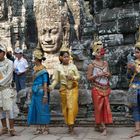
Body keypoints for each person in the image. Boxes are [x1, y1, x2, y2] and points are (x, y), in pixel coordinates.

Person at [49, 49, 80, 134]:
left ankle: (71, 125)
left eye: (68, 57)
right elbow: (56, 80)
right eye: (65, 57)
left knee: (73, 107)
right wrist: (51, 87)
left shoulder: (73, 66)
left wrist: (73, 78)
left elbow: (78, 76)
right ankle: (70, 125)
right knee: (65, 108)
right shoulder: (58, 67)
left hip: (73, 89)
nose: (66, 58)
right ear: (61, 57)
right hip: (63, 89)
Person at [87, 41, 112, 136]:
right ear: (94, 53)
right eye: (97, 52)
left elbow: (110, 75)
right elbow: (88, 78)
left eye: (101, 52)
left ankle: (99, 125)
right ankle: (102, 126)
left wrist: (108, 74)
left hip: (106, 87)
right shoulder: (91, 65)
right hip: (96, 88)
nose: (100, 54)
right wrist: (97, 75)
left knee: (105, 107)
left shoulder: (105, 63)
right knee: (98, 108)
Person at [27, 49, 50, 135]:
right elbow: (33, 82)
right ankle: (39, 127)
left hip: (41, 92)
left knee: (43, 109)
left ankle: (46, 128)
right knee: (36, 109)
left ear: (37, 59)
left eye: (34, 58)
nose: (33, 60)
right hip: (35, 92)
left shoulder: (43, 71)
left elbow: (45, 83)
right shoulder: (35, 69)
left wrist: (45, 95)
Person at [0, 43, 19, 136]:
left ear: (4, 53)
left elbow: (8, 76)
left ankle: (12, 128)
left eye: (0, 52)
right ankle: (4, 128)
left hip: (6, 88)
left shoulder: (10, 62)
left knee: (9, 109)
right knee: (1, 109)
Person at [127, 41, 140, 138]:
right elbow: (128, 77)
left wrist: (136, 70)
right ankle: (137, 129)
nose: (136, 54)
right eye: (135, 52)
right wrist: (130, 70)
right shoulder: (133, 62)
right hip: (135, 88)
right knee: (135, 108)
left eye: (138, 52)